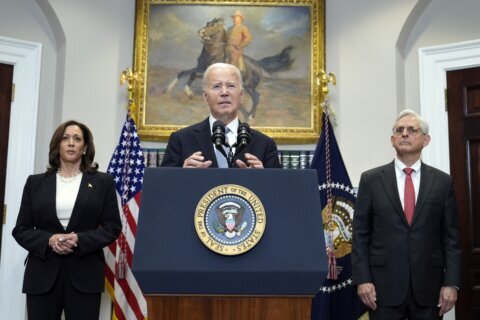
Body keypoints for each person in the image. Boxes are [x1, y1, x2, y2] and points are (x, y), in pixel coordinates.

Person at [352, 109, 461, 319]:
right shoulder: (371, 180)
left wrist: (452, 284)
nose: (404, 134)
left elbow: (451, 239)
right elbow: (360, 235)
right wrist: (362, 279)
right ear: (392, 139)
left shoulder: (442, 182)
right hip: (381, 289)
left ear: (425, 140)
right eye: (399, 130)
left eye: (412, 130)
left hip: (430, 289)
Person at [12, 120, 122, 320]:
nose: (71, 142)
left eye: (77, 138)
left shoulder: (103, 182)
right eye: (65, 138)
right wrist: (49, 240)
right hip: (42, 275)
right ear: (57, 145)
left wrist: (79, 239)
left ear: (85, 147)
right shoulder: (35, 183)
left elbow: (112, 227)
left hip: (85, 274)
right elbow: (21, 229)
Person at [161, 62, 281, 169]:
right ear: (205, 97)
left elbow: (277, 191)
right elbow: (165, 189)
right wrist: (182, 175)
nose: (224, 92)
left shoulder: (264, 144)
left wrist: (263, 178)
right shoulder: (181, 140)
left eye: (231, 86)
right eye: (216, 86)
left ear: (241, 96)